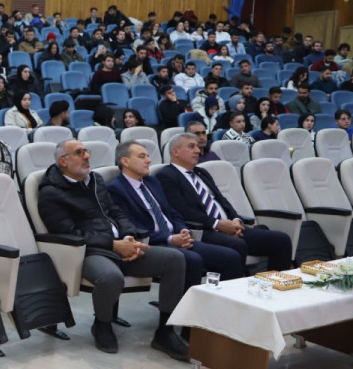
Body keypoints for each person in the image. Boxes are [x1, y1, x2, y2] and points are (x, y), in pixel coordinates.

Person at [37, 139, 188, 356]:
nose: (87, 156)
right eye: (79, 153)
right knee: (110, 277)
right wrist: (113, 245)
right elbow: (71, 234)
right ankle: (102, 324)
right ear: (64, 161)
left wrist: (128, 237)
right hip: (88, 252)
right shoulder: (51, 193)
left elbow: (117, 212)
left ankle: (165, 332)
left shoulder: (95, 180)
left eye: (86, 151)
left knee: (174, 259)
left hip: (119, 244)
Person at [107, 141, 246, 294]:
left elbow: (172, 213)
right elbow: (134, 227)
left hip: (176, 238)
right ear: (125, 161)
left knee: (231, 257)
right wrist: (170, 239)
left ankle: (224, 306)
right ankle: (181, 313)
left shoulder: (151, 182)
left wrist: (183, 230)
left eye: (147, 156)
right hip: (153, 243)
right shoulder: (116, 189)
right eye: (142, 156)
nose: (148, 160)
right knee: (193, 260)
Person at [156, 133, 294, 271]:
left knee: (281, 240)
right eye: (191, 147)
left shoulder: (201, 172)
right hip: (203, 230)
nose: (198, 150)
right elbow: (183, 212)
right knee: (237, 244)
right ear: (175, 151)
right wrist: (218, 224)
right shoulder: (166, 176)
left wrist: (236, 220)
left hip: (230, 226)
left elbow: (223, 202)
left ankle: (277, 285)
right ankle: (236, 290)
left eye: (197, 146)